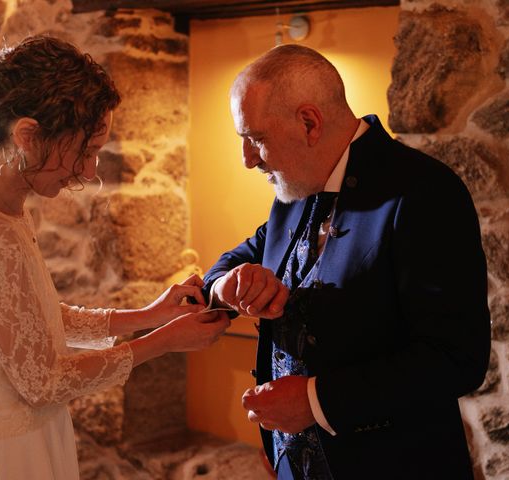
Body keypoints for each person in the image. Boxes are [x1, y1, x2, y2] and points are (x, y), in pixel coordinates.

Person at [0, 35, 230, 480]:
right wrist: (164, 341)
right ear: (27, 136)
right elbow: (43, 382)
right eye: (85, 151)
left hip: (21, 437)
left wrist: (147, 315)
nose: (91, 171)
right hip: (0, 456)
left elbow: (29, 320)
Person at [203, 44, 491, 479]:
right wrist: (230, 284)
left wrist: (316, 401)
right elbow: (232, 261)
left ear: (309, 122)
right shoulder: (296, 187)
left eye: (255, 138)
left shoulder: (425, 192)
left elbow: (457, 357)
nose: (247, 159)